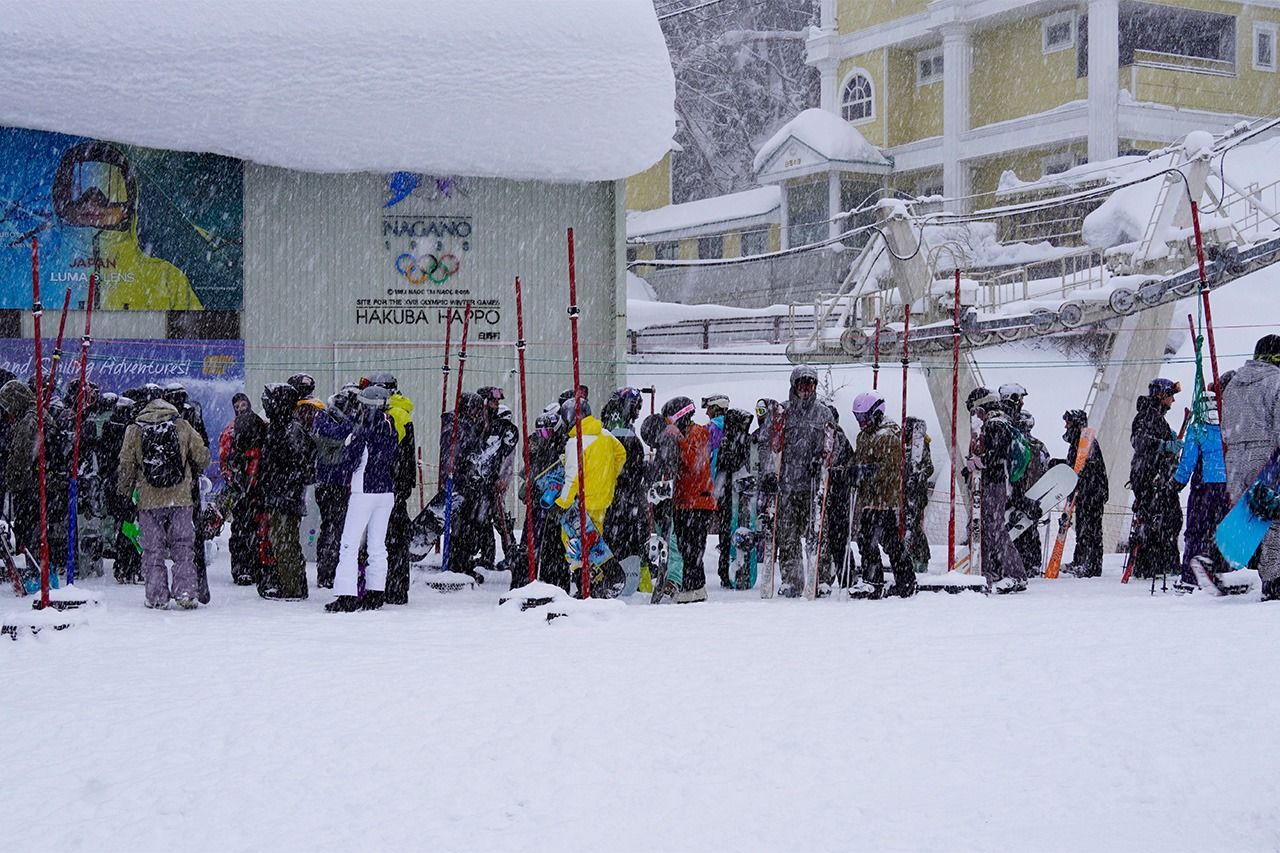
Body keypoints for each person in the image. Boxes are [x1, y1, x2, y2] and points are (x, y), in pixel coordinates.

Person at [115, 388, 211, 609]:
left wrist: (125, 492)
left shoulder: (135, 430)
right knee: (183, 547)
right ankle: (185, 593)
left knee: (153, 550)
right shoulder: (182, 425)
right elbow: (203, 457)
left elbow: (126, 466)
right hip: (181, 498)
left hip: (149, 500)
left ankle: (157, 596)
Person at [324, 385, 401, 612]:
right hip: (386, 491)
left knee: (348, 544)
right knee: (378, 545)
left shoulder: (362, 429)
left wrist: (348, 442)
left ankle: (346, 595)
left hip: (363, 490)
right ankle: (376, 593)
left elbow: (351, 460)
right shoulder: (390, 425)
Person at [761, 366, 834, 597]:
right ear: (794, 387)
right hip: (787, 486)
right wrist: (769, 474)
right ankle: (792, 580)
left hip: (812, 486)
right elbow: (767, 445)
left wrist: (821, 459)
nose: (805, 390)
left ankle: (819, 579)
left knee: (817, 534)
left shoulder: (823, 414)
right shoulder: (783, 413)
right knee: (787, 536)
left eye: (809, 385)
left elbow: (833, 444)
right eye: (801, 385)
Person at [1221, 335, 1280, 600]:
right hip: (1266, 456)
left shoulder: (1234, 383)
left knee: (1250, 517)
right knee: (1275, 519)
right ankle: (1274, 580)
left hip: (1234, 458)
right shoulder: (1276, 382)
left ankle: (1221, 563)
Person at [555, 396, 628, 597]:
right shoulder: (605, 434)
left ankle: (583, 583)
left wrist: (562, 502)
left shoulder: (575, 442)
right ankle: (596, 580)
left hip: (582, 502)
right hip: (603, 499)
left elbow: (571, 477)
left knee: (572, 541)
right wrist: (609, 475)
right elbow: (622, 454)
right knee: (595, 541)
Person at [847, 393, 915, 598]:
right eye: (857, 418)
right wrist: (851, 470)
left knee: (875, 540)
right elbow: (858, 459)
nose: (861, 423)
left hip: (884, 499)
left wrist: (867, 471)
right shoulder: (865, 436)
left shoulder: (886, 436)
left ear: (876, 413)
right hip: (870, 499)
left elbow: (891, 469)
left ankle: (877, 581)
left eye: (864, 417)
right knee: (879, 540)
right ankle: (900, 581)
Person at [1172, 380, 1231, 593]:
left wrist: (1177, 483)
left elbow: (1188, 461)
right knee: (1222, 531)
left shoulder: (1197, 428)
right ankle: (1220, 572)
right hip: (1227, 487)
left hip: (1203, 487)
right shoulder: (1229, 423)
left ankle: (1189, 576)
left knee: (1196, 531)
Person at [258, 382, 314, 600]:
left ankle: (292, 588)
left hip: (285, 496)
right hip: (281, 494)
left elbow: (300, 465)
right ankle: (292, 584)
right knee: (283, 542)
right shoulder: (280, 426)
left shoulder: (290, 429)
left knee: (285, 543)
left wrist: (283, 486)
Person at [969, 389, 1028, 592]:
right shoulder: (997, 422)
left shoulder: (996, 424)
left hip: (993, 484)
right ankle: (984, 572)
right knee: (984, 528)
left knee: (993, 529)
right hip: (992, 483)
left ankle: (1014, 574)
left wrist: (979, 463)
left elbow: (995, 456)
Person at [365, 373, 416, 605]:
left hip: (391, 484)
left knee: (390, 539)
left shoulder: (394, 414)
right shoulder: (398, 411)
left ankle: (393, 588)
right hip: (397, 483)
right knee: (391, 538)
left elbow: (387, 448)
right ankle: (394, 588)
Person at [1128, 378, 1184, 582]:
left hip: (1155, 476)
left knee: (1168, 519)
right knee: (1160, 521)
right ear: (1160, 396)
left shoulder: (1157, 417)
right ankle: (1152, 565)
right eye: (1170, 396)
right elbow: (1139, 441)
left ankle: (1161, 563)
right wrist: (1163, 445)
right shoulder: (1146, 416)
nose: (1172, 401)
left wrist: (1170, 444)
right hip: (1148, 476)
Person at [311, 384, 358, 589]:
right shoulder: (349, 425)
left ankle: (325, 572)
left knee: (328, 526)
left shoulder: (321, 418)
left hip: (324, 481)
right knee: (339, 528)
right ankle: (334, 571)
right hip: (341, 482)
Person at [601, 388, 648, 582]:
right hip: (624, 498)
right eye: (637, 408)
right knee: (628, 538)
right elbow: (632, 469)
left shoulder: (607, 429)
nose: (638, 413)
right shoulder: (625, 436)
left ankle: (609, 575)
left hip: (609, 496)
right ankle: (627, 578)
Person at [1060, 409, 1108, 578]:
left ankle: (1092, 565)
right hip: (1085, 494)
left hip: (1091, 494)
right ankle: (1080, 560)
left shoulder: (1087, 442)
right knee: (1082, 528)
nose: (1066, 426)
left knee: (1091, 530)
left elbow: (1090, 470)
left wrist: (1082, 487)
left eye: (1068, 422)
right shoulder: (1078, 442)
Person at [1010, 408, 1049, 576]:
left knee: (1015, 529)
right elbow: (1045, 466)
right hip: (1033, 492)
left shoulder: (1015, 443)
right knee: (1029, 529)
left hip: (1017, 492)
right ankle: (1032, 563)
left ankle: (1019, 562)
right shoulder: (1038, 445)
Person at [902, 415, 934, 574]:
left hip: (917, 493)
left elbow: (929, 467)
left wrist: (918, 476)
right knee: (910, 525)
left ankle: (920, 558)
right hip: (908, 491)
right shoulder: (908, 446)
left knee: (913, 526)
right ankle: (917, 556)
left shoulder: (921, 446)